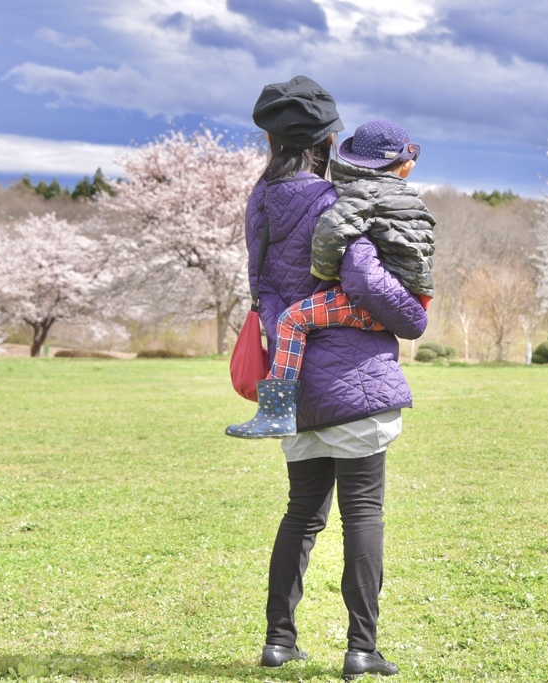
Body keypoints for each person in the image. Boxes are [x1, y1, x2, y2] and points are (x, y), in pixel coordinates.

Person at [234, 75, 427, 679]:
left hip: (290, 383)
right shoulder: (333, 200)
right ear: (329, 138)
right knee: (363, 512)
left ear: (271, 137)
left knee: (302, 513)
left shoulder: (260, 201)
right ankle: (361, 650)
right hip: (352, 377)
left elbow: (263, 285)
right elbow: (366, 277)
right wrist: (412, 316)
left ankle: (278, 639)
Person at [226, 119, 434, 438]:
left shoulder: (359, 196)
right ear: (406, 167)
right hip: (411, 289)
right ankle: (276, 410)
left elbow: (336, 237)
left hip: (367, 304)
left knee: (291, 320)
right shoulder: (407, 197)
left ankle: (276, 411)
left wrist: (324, 269)